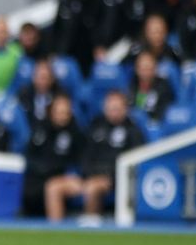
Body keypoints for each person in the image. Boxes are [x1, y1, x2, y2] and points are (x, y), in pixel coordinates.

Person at [45, 91, 145, 224]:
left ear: (125, 109)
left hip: (115, 180)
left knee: (92, 188)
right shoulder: (95, 125)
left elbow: (134, 160)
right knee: (53, 187)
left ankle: (89, 229)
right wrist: (84, 174)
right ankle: (55, 230)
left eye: (117, 108)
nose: (113, 111)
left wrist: (108, 177)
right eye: (110, 108)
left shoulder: (133, 131)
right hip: (88, 176)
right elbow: (84, 155)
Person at [22, 94, 85, 216]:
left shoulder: (75, 133)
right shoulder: (40, 131)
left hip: (65, 178)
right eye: (60, 112)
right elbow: (30, 156)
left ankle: (58, 229)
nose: (63, 116)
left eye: (66, 112)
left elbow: (80, 160)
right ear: (51, 112)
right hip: (39, 179)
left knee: (53, 187)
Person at [51, 0, 104, 76]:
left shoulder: (99, 1)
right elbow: (57, 29)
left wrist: (100, 45)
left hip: (92, 54)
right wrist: (55, 51)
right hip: (68, 52)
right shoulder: (65, 1)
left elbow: (104, 27)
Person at [17, 59, 66, 128]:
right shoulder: (24, 95)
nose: (42, 81)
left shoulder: (58, 97)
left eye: (45, 77)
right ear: (33, 77)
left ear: (52, 79)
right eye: (39, 77)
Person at [127, 51, 175, 122]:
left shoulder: (163, 86)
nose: (146, 73)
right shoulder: (133, 86)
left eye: (149, 68)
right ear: (137, 70)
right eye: (143, 69)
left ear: (155, 68)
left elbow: (165, 109)